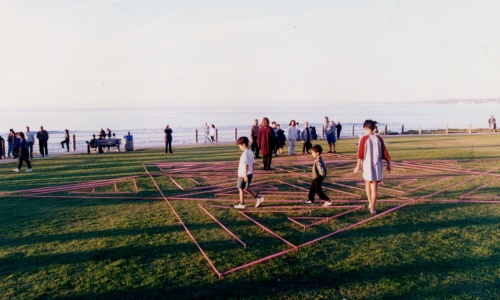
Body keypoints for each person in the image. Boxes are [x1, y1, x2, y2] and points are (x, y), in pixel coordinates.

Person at [354, 119, 391, 215]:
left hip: (367, 166)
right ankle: (372, 208)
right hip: (376, 166)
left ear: (366, 128)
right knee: (374, 187)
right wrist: (388, 163)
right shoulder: (379, 138)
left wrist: (357, 166)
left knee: (367, 184)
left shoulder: (363, 138)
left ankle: (370, 203)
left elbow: (360, 154)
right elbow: (384, 152)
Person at [234, 136, 265, 209]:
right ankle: (258, 198)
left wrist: (245, 175)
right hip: (249, 173)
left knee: (240, 188)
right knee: (246, 188)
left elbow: (246, 165)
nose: (240, 148)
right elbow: (252, 163)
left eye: (240, 146)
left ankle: (242, 203)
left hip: (244, 174)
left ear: (244, 144)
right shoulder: (251, 152)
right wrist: (251, 171)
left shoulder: (245, 154)